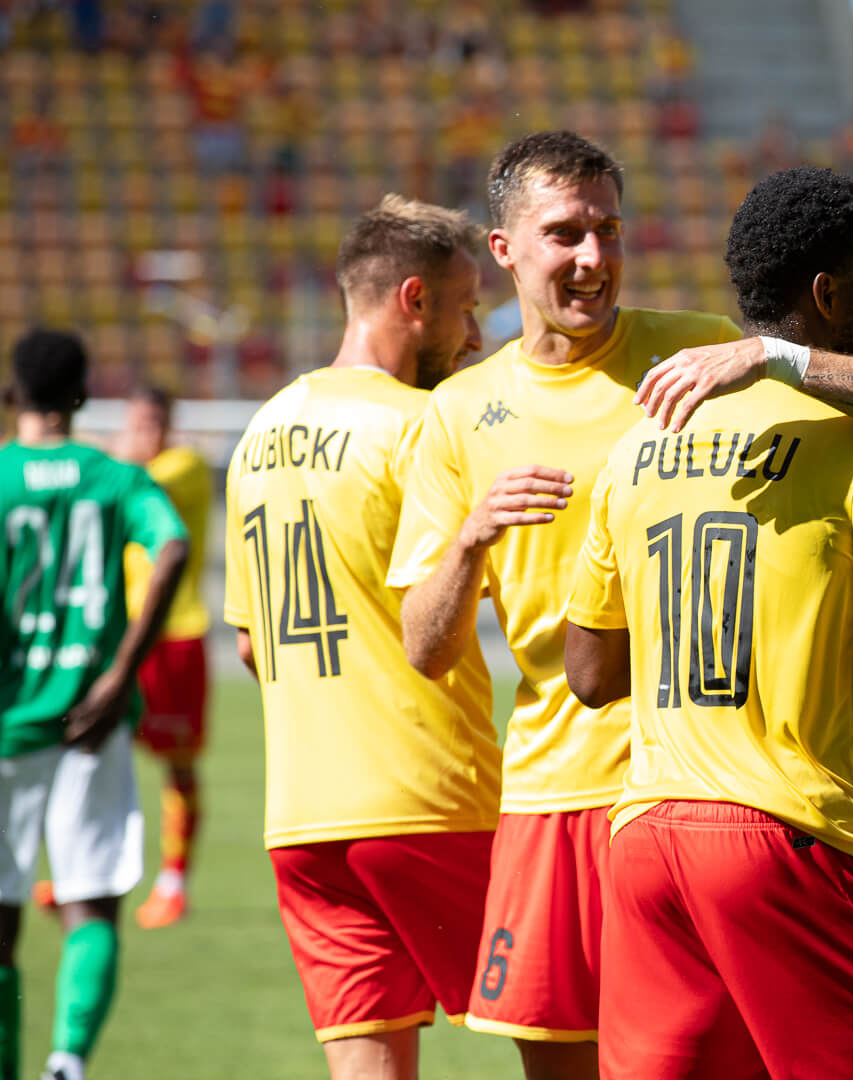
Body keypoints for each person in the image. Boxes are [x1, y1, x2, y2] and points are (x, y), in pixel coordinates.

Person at [566, 166, 853, 1080]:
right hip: (791, 837)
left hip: (647, 841)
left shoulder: (640, 447)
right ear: (826, 293)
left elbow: (591, 674)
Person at [386, 131, 739, 1078]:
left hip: (702, 786)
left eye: (609, 231)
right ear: (503, 251)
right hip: (555, 797)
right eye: (565, 234)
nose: (594, 260)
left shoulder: (704, 355)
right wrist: (470, 538)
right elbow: (425, 646)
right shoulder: (460, 413)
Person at [223, 195, 502, 1080]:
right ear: (413, 299)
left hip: (302, 817)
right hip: (428, 797)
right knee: (584, 1025)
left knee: (369, 1064)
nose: (476, 340)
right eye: (466, 311)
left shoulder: (258, 434)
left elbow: (249, 646)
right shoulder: (420, 427)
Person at [0, 329, 188, 1080]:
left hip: (9, 725)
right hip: (91, 721)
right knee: (92, 906)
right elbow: (170, 546)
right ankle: (67, 1062)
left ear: (14, 393)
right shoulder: (112, 478)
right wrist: (120, 673)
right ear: (81, 397)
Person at [117, 385, 213, 930]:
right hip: (124, 636)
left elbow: (134, 481)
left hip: (178, 634)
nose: (143, 433)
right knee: (99, 756)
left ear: (168, 424)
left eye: (151, 422)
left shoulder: (184, 467)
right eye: (136, 422)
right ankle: (90, 871)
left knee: (178, 765)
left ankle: (173, 881)